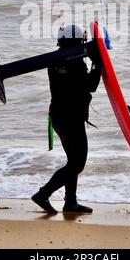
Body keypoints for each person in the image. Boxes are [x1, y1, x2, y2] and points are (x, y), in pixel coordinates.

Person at [32, 24, 102, 214]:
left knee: (72, 161)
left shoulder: (53, 61)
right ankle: (42, 195)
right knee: (78, 164)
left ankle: (70, 203)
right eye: (82, 41)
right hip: (71, 120)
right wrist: (97, 63)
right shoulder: (75, 63)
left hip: (59, 117)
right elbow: (91, 85)